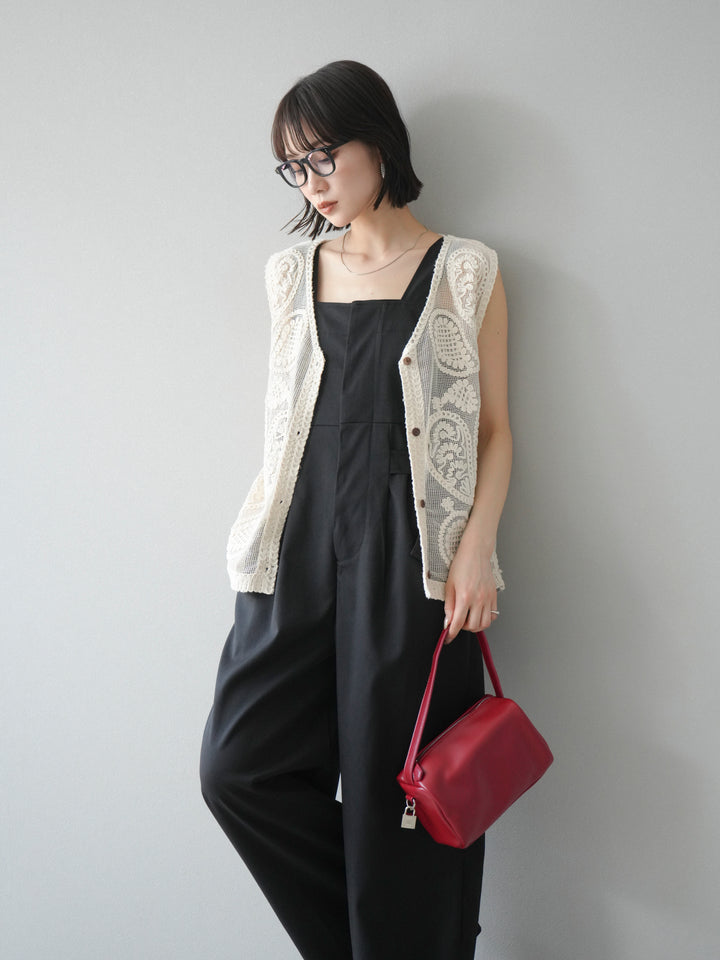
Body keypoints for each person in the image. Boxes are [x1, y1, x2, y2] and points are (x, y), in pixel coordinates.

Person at [200, 60, 512, 960]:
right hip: (292, 548)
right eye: (293, 168)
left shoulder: (466, 269)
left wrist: (477, 549)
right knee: (237, 772)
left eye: (324, 157)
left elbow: (496, 432)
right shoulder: (289, 275)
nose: (312, 183)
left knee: (397, 795)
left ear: (378, 140)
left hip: (412, 558)